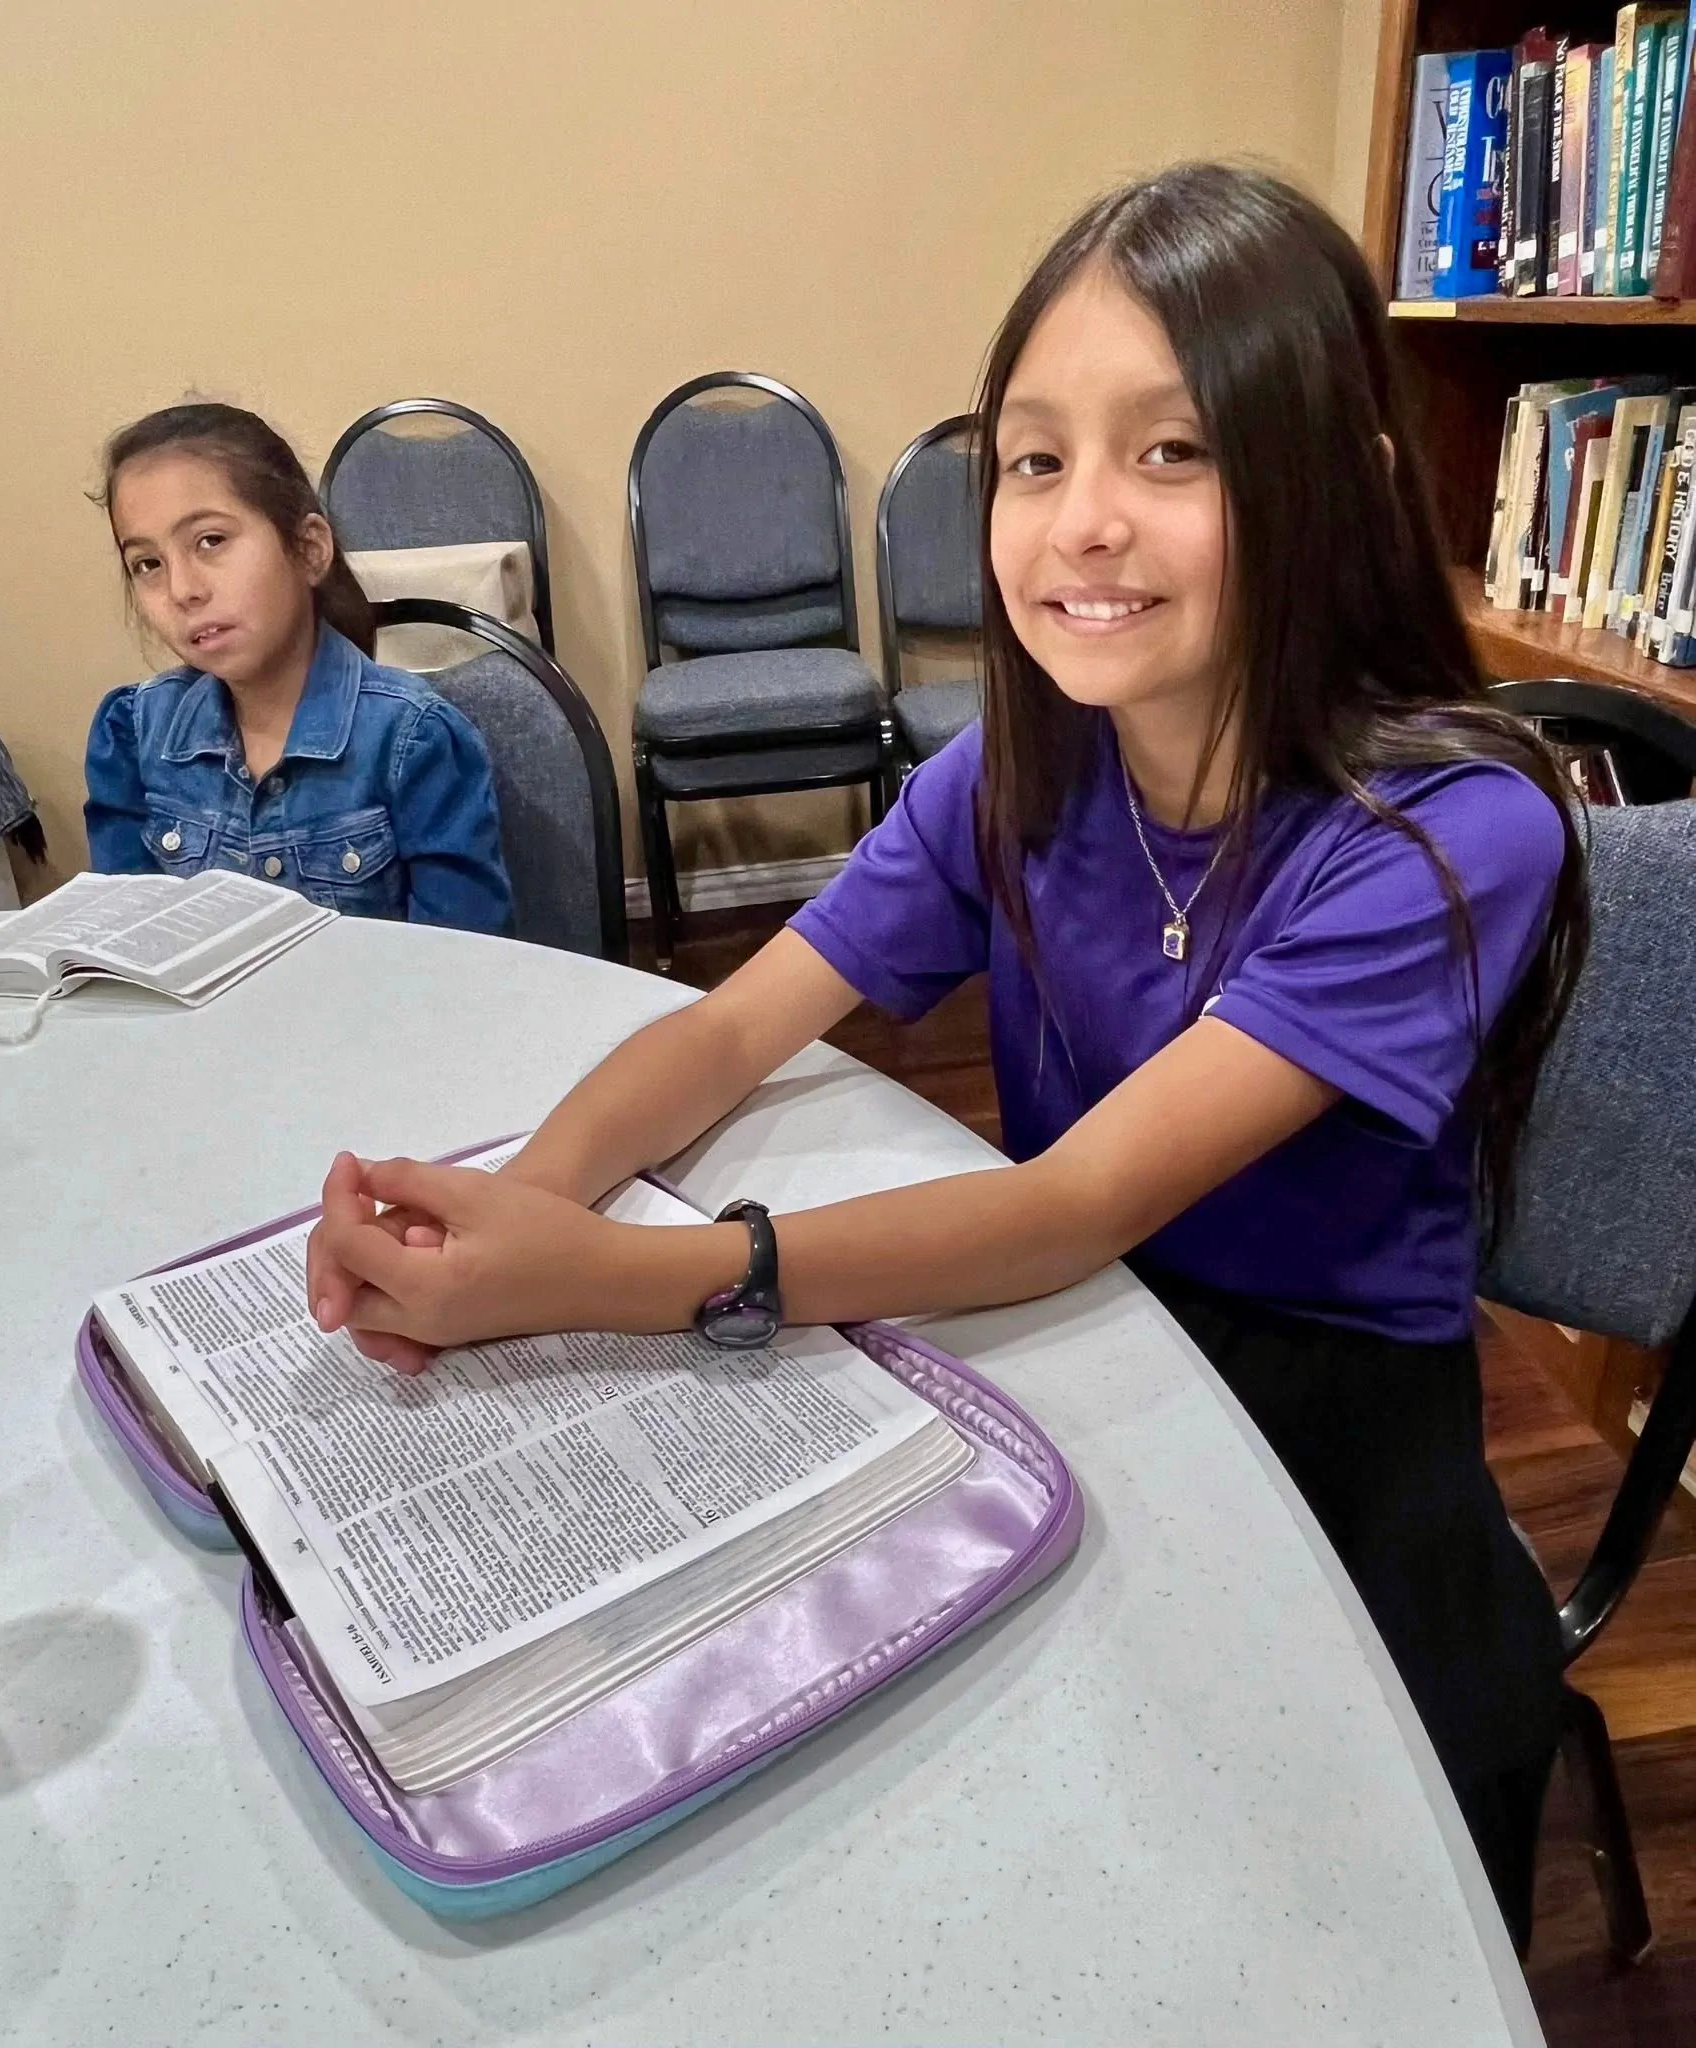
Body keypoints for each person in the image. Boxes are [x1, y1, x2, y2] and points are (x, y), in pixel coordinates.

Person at [306, 165, 1589, 1948]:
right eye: (1033, 459)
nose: (1080, 523)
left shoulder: (1449, 831)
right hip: (1069, 1345)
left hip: (1325, 1423)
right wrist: (520, 1211)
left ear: (1344, 485)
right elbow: (732, 1024)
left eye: (1173, 452)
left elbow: (1070, 1204)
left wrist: (604, 1278)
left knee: (1287, 1898)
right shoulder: (1014, 770)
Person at [84, 403, 513, 934]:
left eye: (211, 541)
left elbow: (459, 961)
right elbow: (126, 943)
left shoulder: (413, 740)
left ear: (309, 550)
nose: (182, 590)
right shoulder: (132, 733)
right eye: (148, 564)